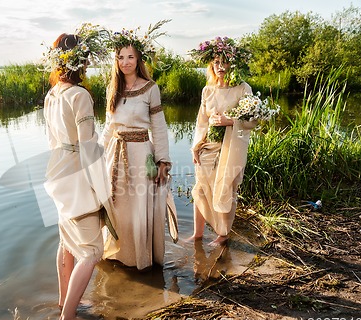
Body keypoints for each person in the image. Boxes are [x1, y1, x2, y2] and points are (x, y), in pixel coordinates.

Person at [42, 24, 115, 320]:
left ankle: (64, 301)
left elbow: (50, 140)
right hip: (75, 171)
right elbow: (88, 146)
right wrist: (101, 186)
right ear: (81, 61)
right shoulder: (79, 95)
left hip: (55, 167)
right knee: (92, 250)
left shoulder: (52, 94)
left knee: (67, 240)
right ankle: (68, 319)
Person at [101, 21, 175, 271]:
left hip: (141, 153)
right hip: (116, 153)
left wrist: (163, 161)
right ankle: (118, 255)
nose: (125, 62)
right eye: (120, 57)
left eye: (130, 56)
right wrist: (96, 155)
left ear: (138, 58)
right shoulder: (114, 88)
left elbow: (159, 127)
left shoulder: (150, 88)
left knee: (138, 206)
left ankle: (140, 259)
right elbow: (108, 127)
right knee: (118, 205)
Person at [188, 36, 256, 246]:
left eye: (224, 61)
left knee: (226, 189)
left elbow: (252, 120)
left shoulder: (243, 88)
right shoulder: (207, 90)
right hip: (208, 146)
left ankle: (223, 234)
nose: (220, 66)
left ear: (232, 63)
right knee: (199, 189)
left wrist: (230, 121)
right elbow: (201, 122)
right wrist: (195, 146)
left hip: (231, 147)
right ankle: (197, 234)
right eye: (216, 62)